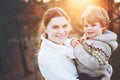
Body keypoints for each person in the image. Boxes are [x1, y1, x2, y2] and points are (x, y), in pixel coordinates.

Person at [71, 5, 118, 80]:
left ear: (103, 26)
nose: (89, 28)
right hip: (83, 73)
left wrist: (77, 48)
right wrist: (73, 41)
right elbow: (79, 42)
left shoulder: (103, 45)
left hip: (92, 77)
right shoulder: (89, 37)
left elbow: (93, 64)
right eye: (86, 26)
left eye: (93, 25)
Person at [38, 7, 79, 80]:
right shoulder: (46, 56)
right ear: (45, 29)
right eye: (55, 27)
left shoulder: (68, 43)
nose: (61, 31)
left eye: (64, 26)